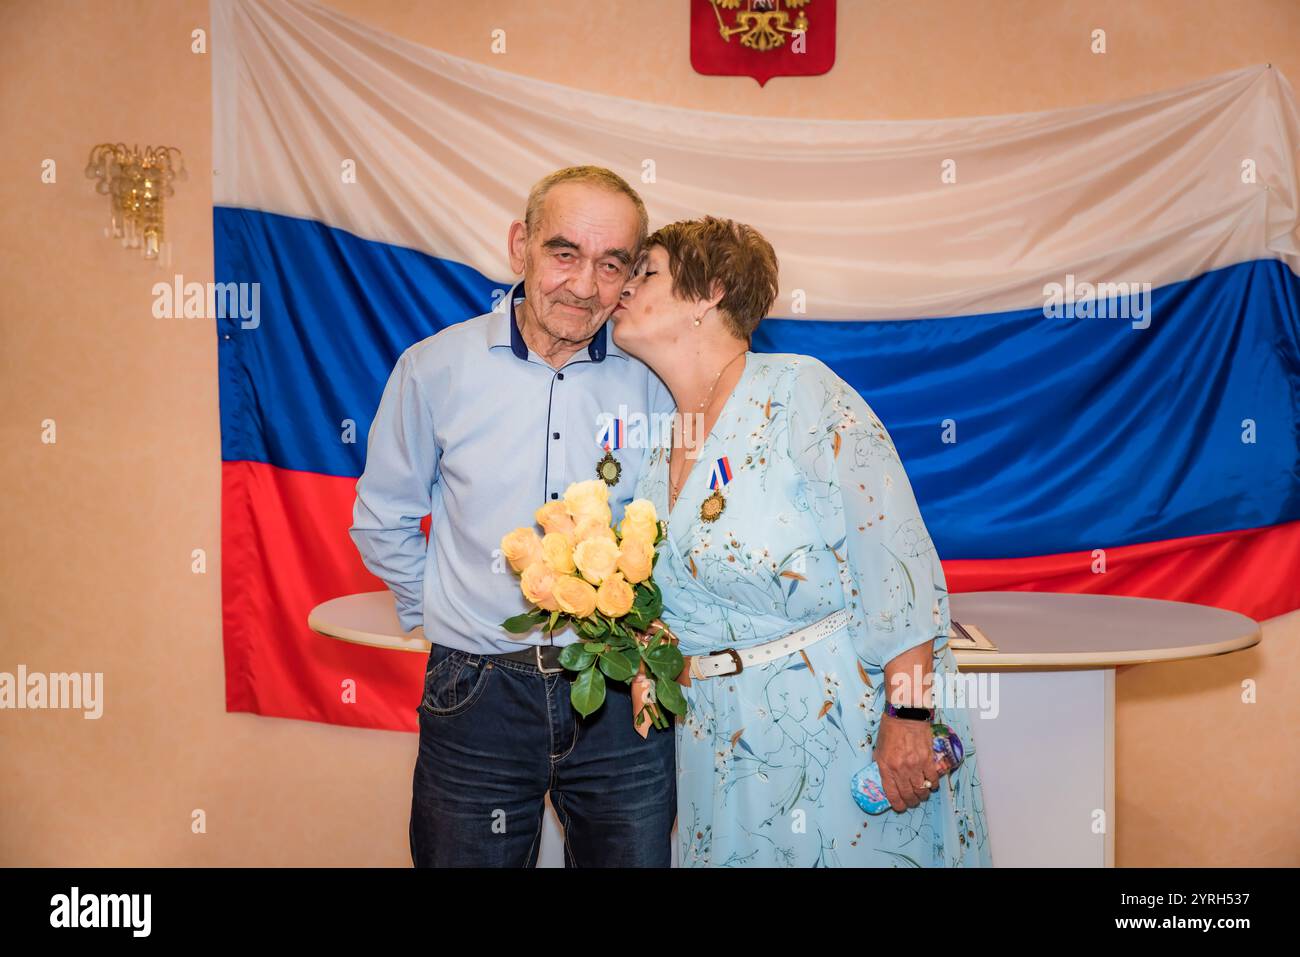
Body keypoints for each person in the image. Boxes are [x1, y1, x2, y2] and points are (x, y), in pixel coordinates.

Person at [614, 216, 992, 867]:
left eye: (645, 272)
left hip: (834, 727)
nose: (622, 284)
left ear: (709, 292)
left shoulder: (801, 392)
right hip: (717, 747)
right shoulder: (664, 441)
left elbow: (896, 560)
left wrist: (909, 716)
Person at [349, 166, 676, 867]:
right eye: (564, 253)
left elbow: (678, 527)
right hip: (476, 696)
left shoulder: (655, 380)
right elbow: (382, 518)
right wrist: (439, 615)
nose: (585, 286)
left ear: (630, 275)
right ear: (519, 246)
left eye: (611, 263)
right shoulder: (434, 368)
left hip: (622, 698)